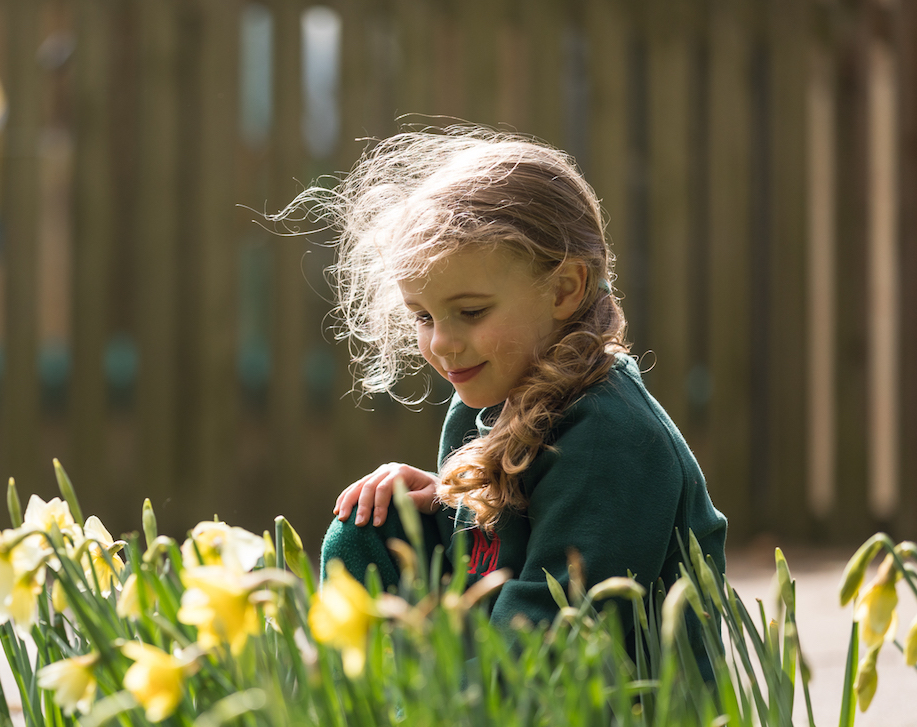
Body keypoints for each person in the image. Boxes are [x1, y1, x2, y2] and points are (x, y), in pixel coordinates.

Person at [302, 127, 727, 664]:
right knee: (369, 527)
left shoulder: (611, 439)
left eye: (472, 312)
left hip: (606, 704)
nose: (442, 343)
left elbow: (548, 641)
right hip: (500, 675)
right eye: (424, 316)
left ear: (564, 289)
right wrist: (441, 499)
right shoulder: (485, 400)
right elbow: (500, 548)